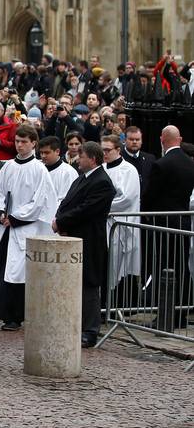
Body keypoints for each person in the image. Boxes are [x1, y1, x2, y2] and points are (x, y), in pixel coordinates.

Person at [0, 125, 57, 331]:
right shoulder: (8, 166)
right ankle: (4, 314)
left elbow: (40, 201)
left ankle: (16, 316)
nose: (20, 145)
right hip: (7, 228)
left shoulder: (39, 169)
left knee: (20, 275)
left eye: (24, 142)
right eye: (18, 141)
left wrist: (16, 217)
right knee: (3, 272)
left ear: (33, 144)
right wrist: (0, 213)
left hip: (26, 228)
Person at [53, 143, 115, 347]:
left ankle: (90, 330)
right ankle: (73, 324)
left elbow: (86, 209)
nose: (78, 159)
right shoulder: (82, 178)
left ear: (93, 159)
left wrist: (62, 221)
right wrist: (60, 219)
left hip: (90, 241)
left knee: (89, 285)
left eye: (82, 156)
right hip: (72, 237)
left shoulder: (102, 183)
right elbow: (68, 202)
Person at [140, 126, 194, 328]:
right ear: (179, 139)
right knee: (181, 268)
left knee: (165, 269)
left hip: (163, 222)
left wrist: (144, 212)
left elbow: (150, 194)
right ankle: (179, 314)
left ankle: (167, 317)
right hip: (181, 221)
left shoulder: (162, 164)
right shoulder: (188, 163)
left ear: (162, 139)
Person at [101, 135, 141, 291]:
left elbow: (126, 198)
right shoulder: (102, 169)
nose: (104, 153)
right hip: (103, 224)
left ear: (118, 150)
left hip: (122, 223)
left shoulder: (128, 170)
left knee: (120, 264)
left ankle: (118, 302)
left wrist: (100, 207)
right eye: (102, 150)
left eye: (107, 150)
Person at [40, 136, 77, 206]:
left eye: (47, 152)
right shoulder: (38, 168)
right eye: (41, 153)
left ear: (57, 151)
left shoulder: (68, 172)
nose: (43, 156)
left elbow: (67, 199)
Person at [121, 126, 155, 194]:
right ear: (124, 140)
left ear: (141, 141)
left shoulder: (150, 159)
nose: (134, 142)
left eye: (137, 139)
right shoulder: (118, 158)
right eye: (131, 139)